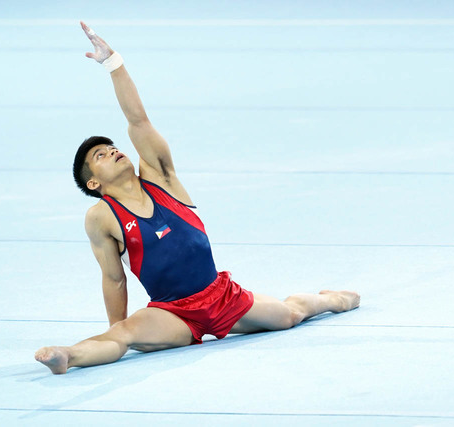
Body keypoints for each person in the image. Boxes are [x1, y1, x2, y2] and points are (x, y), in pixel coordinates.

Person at [34, 22, 360, 375]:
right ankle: (68, 356)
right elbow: (114, 279)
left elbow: (138, 121)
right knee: (124, 335)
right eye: (100, 155)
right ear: (94, 183)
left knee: (289, 315)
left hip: (221, 296)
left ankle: (331, 299)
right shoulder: (100, 217)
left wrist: (114, 64)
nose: (112, 151)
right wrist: (117, 330)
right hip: (170, 313)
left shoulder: (161, 179)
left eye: (112, 147)